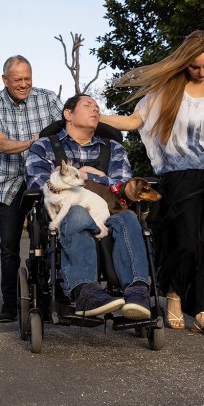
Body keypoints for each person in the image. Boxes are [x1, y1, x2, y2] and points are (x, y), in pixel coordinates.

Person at [103, 30, 204, 335]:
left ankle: (200, 311)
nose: (201, 72)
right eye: (195, 67)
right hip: (178, 178)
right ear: (184, 63)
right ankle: (174, 295)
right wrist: (95, 116)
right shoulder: (169, 87)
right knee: (187, 242)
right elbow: (134, 121)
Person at [24, 94, 151, 318]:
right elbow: (38, 182)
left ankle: (137, 293)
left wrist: (90, 178)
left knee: (130, 218)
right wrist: (88, 175)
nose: (96, 109)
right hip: (68, 212)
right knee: (77, 213)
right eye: (88, 105)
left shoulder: (114, 149)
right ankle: (86, 292)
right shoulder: (44, 147)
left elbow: (123, 186)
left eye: (97, 106)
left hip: (109, 212)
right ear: (68, 114)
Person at [0, 55, 63, 323]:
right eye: (18, 80)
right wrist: (35, 142)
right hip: (9, 181)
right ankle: (9, 303)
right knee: (9, 246)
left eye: (28, 78)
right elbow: (0, 144)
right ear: (5, 80)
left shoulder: (49, 99)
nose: (24, 84)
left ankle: (59, 294)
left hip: (45, 179)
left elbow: (65, 131)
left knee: (58, 236)